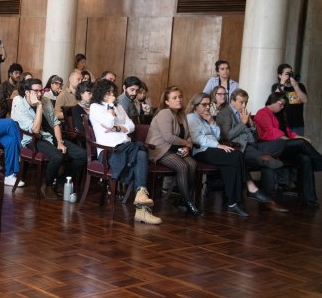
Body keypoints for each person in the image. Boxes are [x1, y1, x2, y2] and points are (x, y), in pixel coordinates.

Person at [187, 92, 271, 217]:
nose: (207, 107)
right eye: (203, 104)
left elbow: (217, 136)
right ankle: (251, 187)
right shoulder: (191, 117)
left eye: (208, 104)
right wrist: (218, 145)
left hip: (213, 149)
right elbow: (197, 139)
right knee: (236, 155)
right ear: (195, 105)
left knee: (232, 166)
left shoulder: (206, 117)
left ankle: (233, 204)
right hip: (200, 151)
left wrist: (212, 121)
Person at [89, 79, 161, 224]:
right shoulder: (95, 107)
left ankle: (141, 196)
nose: (111, 95)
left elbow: (131, 126)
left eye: (112, 92)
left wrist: (117, 128)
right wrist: (110, 107)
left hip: (125, 147)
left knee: (140, 152)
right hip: (109, 151)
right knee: (140, 152)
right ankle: (142, 210)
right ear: (100, 92)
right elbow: (108, 122)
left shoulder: (119, 107)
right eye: (107, 92)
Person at [215, 89, 287, 212]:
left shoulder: (244, 113)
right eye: (241, 102)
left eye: (246, 102)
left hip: (255, 145)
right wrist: (243, 124)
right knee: (267, 165)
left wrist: (252, 125)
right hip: (241, 147)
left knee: (281, 142)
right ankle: (270, 199)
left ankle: (265, 158)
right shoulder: (224, 114)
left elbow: (256, 137)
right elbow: (226, 135)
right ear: (232, 101)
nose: (244, 106)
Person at [13, 78, 86, 200]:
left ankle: (60, 182)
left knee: (82, 155)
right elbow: (35, 130)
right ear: (27, 92)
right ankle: (47, 185)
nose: (40, 94)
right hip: (34, 140)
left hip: (51, 137)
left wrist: (60, 142)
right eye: (36, 91)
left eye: (41, 91)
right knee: (57, 156)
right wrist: (39, 106)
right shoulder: (20, 108)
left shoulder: (46, 100)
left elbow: (55, 123)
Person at [255, 92, 322, 206]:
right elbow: (271, 131)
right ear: (273, 101)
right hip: (272, 146)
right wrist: (293, 141)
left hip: (284, 146)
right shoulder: (263, 112)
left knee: (306, 159)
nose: (282, 107)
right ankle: (320, 162)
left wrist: (301, 137)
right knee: (301, 143)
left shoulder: (281, 115)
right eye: (281, 104)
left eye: (283, 105)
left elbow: (289, 133)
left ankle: (310, 199)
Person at [146, 86, 202, 217]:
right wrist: (187, 143)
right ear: (166, 101)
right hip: (159, 149)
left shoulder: (182, 114)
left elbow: (187, 135)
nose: (179, 100)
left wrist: (187, 147)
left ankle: (182, 200)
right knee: (182, 166)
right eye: (174, 98)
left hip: (174, 149)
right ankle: (189, 203)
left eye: (180, 97)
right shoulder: (165, 113)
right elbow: (168, 137)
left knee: (192, 164)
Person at [272, 64, 308, 189]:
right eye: (286, 73)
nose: (289, 76)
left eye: (290, 73)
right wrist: (282, 83)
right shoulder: (276, 87)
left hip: (297, 124)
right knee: (282, 152)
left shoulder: (299, 86)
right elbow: (274, 99)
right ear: (280, 75)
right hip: (282, 125)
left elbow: (305, 100)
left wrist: (296, 85)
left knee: (297, 152)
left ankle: (295, 179)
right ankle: (282, 181)